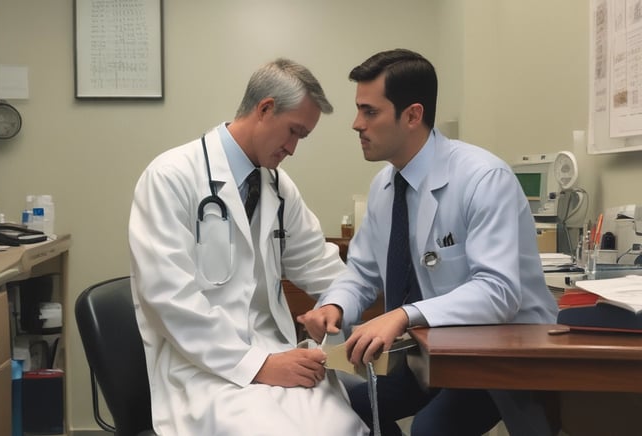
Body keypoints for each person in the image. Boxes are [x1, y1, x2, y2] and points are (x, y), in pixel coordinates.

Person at [299, 49, 559, 436]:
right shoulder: (386, 186)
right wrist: (335, 305)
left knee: (430, 430)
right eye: (358, 110)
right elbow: (363, 274)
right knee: (343, 411)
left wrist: (404, 314)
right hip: (427, 354)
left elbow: (499, 292)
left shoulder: (484, 178)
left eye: (370, 112)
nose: (356, 124)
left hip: (498, 352)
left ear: (412, 115)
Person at [128, 58, 369, 436]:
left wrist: (336, 303)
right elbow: (167, 296)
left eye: (301, 137)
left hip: (277, 354)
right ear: (265, 109)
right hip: (204, 367)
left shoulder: (277, 186)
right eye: (293, 132)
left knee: (344, 427)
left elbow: (318, 264)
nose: (293, 148)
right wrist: (257, 365)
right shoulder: (171, 176)